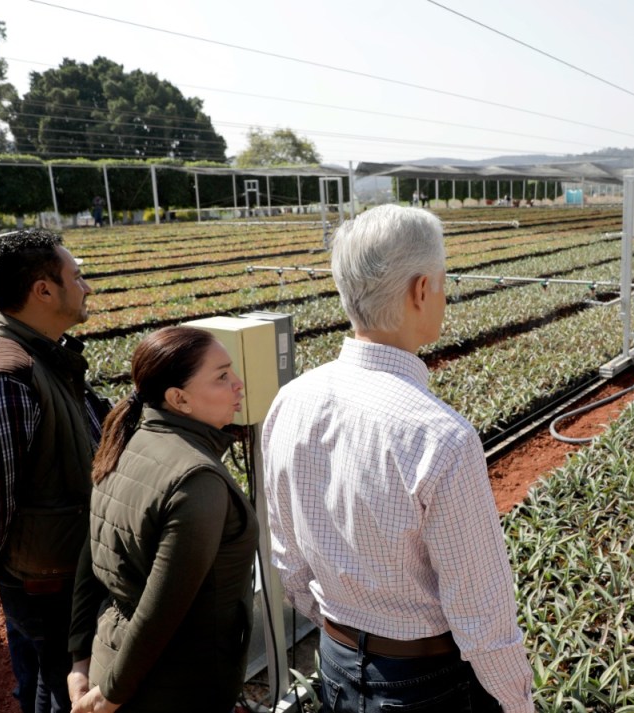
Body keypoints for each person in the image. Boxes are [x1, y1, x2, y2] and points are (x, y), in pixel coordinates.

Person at [261, 204, 534, 713]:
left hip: (336, 661)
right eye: (443, 283)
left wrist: (341, 633)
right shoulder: (442, 437)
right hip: (424, 681)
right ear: (421, 291)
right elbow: (482, 617)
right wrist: (519, 704)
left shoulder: (290, 401)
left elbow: (288, 561)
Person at [0, 228, 108, 713]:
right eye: (76, 277)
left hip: (58, 560)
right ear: (44, 290)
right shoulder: (8, 375)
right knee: (72, 679)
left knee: (51, 672)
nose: (86, 287)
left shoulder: (42, 352)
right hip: (48, 573)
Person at [66, 326, 257, 713]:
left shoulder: (127, 440)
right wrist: (109, 697)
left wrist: (79, 661)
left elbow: (91, 555)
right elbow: (164, 610)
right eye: (221, 376)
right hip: (173, 682)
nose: (238, 384)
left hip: (112, 656)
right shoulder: (196, 480)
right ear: (179, 399)